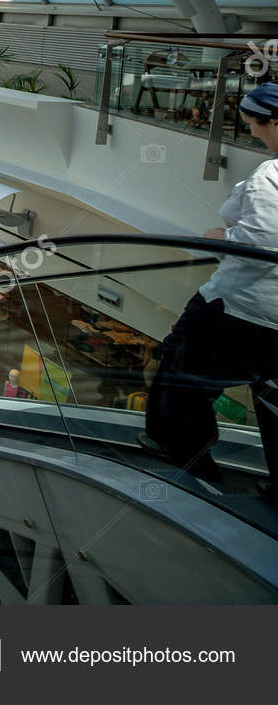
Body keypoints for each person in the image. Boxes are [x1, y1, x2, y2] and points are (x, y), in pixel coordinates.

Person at [143, 83, 278, 496]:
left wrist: (217, 235)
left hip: (239, 306)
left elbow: (259, 246)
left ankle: (185, 460)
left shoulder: (271, 176)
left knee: (181, 375)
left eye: (255, 124)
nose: (253, 134)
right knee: (272, 399)